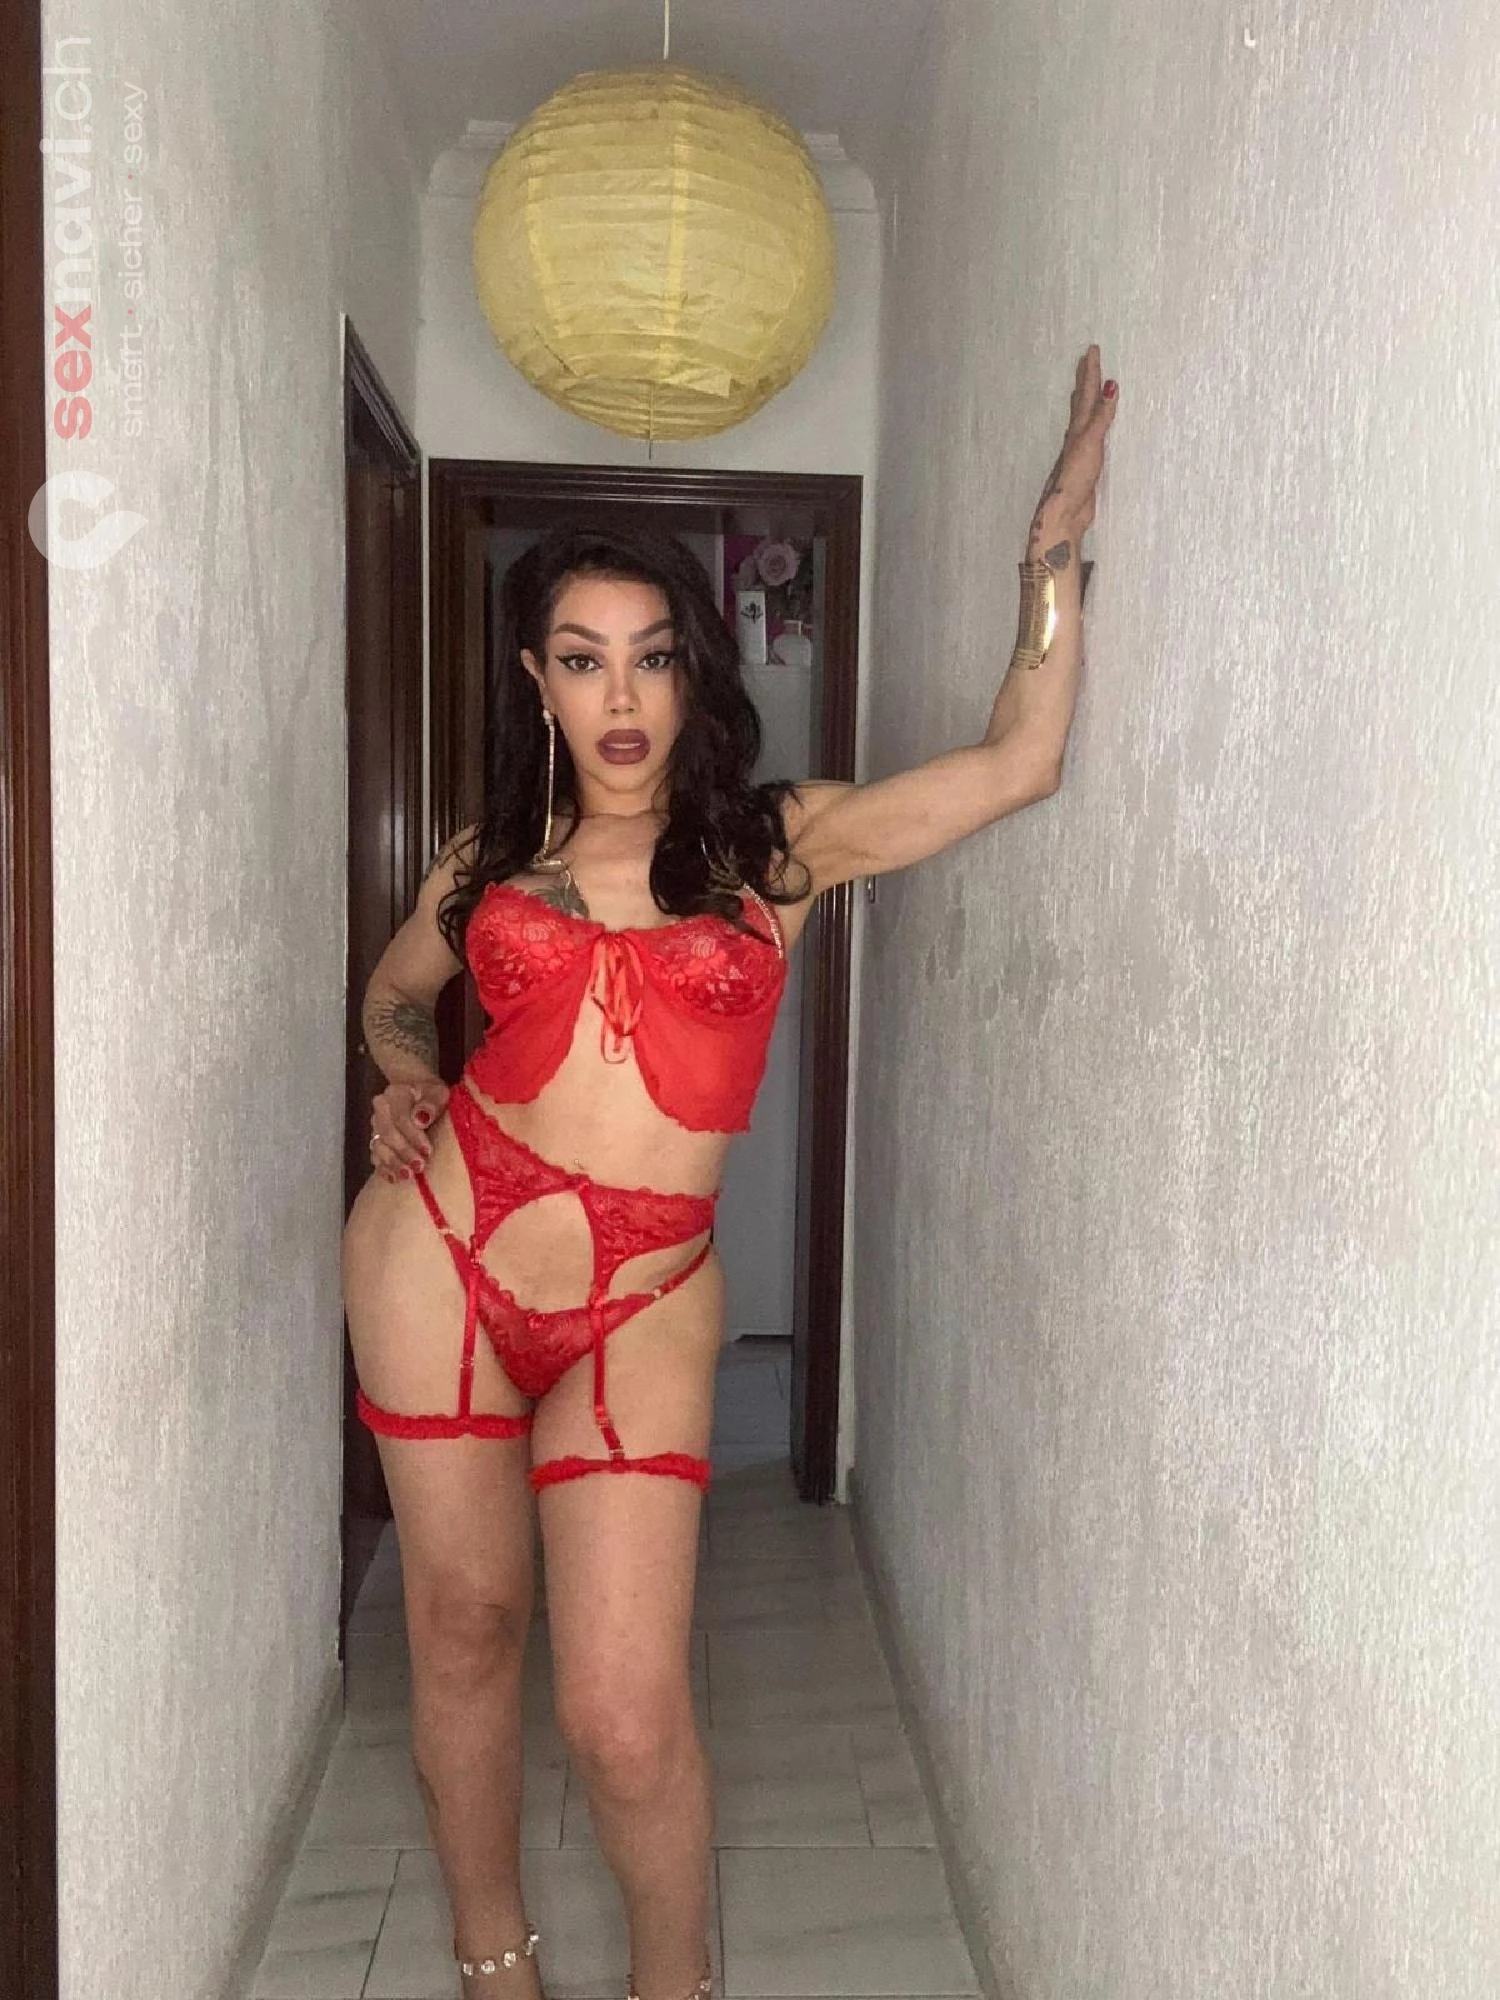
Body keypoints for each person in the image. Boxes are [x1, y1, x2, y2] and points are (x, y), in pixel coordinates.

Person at [341, 347, 1118, 2000]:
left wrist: (1052, 555)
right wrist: (401, 1081)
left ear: (695, 673)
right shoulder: (491, 860)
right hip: (439, 1257)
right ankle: (494, 1962)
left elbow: (1019, 762)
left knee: (625, 1715)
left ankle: (673, 1985)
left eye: (652, 657)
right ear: (537, 681)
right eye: (581, 661)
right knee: (463, 1632)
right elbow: (397, 997)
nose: (619, 698)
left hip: (643, 1296)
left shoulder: (778, 845)